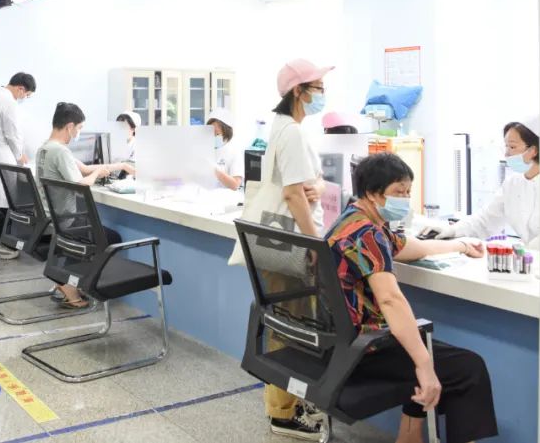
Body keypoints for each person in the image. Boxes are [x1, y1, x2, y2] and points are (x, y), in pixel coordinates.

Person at [325, 153, 497, 443]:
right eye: (398, 192)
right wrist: (424, 365)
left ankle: (410, 437)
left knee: (423, 346)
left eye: (407, 191)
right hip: (361, 351)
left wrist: (461, 245)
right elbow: (390, 300)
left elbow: (410, 247)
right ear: (372, 193)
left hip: (339, 343)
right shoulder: (367, 234)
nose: (405, 199)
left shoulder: (353, 220)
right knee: (467, 367)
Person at [260, 58, 335, 439]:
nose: (322, 94)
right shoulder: (291, 132)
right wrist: (314, 243)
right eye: (318, 88)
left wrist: (318, 186)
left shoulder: (282, 127)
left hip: (278, 240)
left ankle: (287, 402)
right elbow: (293, 193)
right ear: (298, 91)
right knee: (291, 326)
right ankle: (283, 414)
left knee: (286, 321)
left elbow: (307, 183)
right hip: (291, 243)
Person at [36, 102, 133, 308]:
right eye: (79, 128)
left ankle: (66, 280)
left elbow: (85, 169)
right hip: (67, 221)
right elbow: (81, 185)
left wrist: (122, 166)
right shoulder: (60, 152)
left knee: (97, 236)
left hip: (53, 218)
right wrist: (98, 174)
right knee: (111, 239)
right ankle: (70, 282)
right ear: (70, 126)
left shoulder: (45, 148)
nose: (78, 133)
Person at [422, 120, 540, 246]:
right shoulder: (513, 184)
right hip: (531, 256)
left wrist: (532, 249)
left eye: (512, 147)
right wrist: (453, 230)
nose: (506, 154)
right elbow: (485, 221)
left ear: (533, 150)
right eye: (505, 146)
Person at [0, 72, 37, 260]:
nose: (24, 99)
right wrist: (20, 155)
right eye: (27, 95)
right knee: (2, 206)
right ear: (21, 89)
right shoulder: (8, 102)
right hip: (1, 160)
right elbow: (13, 134)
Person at [207, 108, 244, 190]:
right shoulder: (204, 149)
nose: (214, 136)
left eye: (217, 134)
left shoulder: (234, 151)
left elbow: (235, 185)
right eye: (211, 133)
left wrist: (213, 169)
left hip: (224, 196)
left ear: (227, 133)